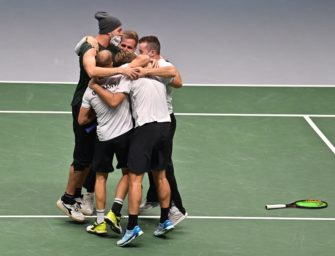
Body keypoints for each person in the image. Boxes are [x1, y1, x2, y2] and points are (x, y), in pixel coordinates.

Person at [56, 11, 140, 223]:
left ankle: (78, 195)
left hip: (100, 109)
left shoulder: (110, 48)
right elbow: (92, 70)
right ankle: (67, 198)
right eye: (119, 31)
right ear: (110, 31)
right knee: (82, 154)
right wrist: (121, 70)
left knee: (91, 155)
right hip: (84, 106)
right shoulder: (90, 47)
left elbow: (131, 58)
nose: (121, 35)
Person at [89, 58, 181, 246]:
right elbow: (173, 72)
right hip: (165, 127)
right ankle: (164, 220)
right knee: (161, 176)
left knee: (134, 178)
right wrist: (148, 68)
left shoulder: (128, 72)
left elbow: (99, 77)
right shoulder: (158, 72)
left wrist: (95, 85)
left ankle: (131, 227)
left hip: (145, 129)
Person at [78, 50, 145, 235]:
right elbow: (115, 102)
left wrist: (97, 112)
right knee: (129, 173)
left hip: (103, 137)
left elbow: (82, 120)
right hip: (125, 135)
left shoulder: (89, 89)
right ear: (110, 65)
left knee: (101, 178)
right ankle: (115, 210)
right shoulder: (123, 74)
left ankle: (100, 221)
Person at [138, 36, 188, 226]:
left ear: (151, 52)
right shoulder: (152, 64)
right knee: (153, 161)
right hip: (151, 119)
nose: (138, 54)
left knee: (165, 165)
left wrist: (148, 71)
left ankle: (177, 208)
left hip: (165, 119)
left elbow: (177, 80)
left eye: (141, 51)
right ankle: (154, 196)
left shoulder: (163, 64)